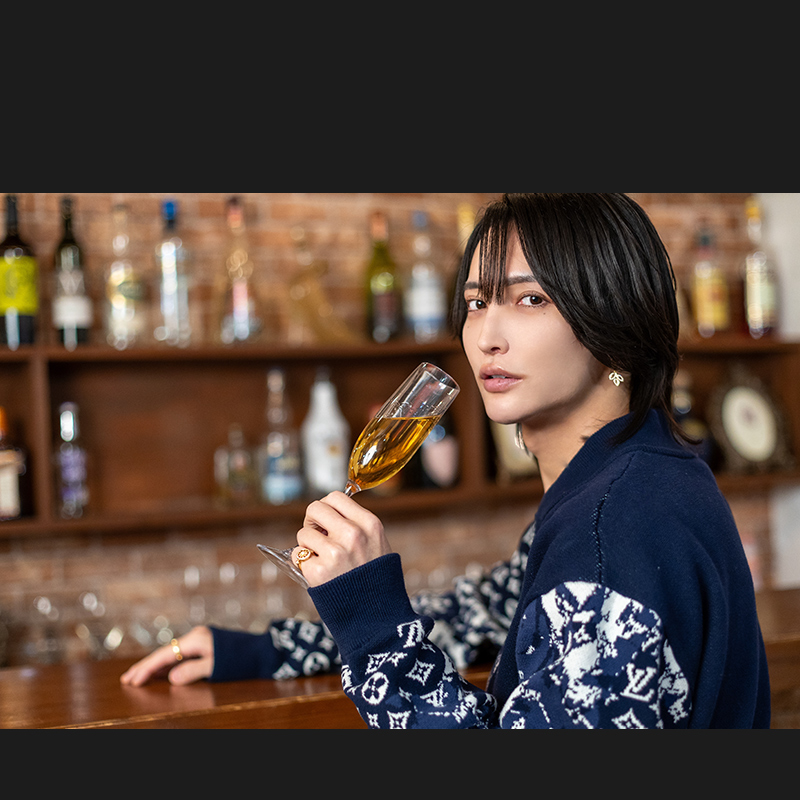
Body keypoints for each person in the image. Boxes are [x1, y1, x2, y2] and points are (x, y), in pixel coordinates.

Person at [122, 193, 771, 729]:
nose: (487, 336)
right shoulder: (629, 477)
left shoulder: (615, 526)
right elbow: (478, 615)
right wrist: (269, 649)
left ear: (615, 322)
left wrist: (374, 625)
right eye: (477, 302)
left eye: (530, 299)